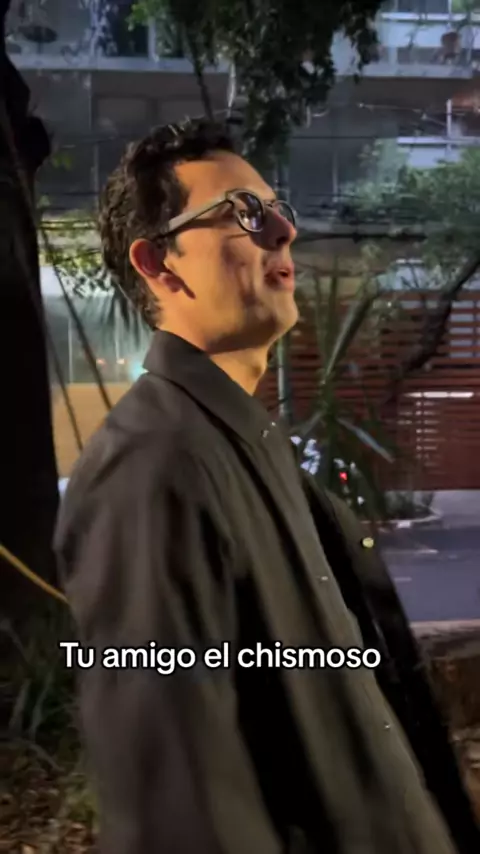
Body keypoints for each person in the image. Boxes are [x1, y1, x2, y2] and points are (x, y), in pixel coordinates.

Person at [54, 118, 479, 854]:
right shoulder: (152, 470)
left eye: (278, 209)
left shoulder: (253, 449)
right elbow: (181, 808)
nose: (284, 231)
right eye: (244, 213)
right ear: (159, 264)